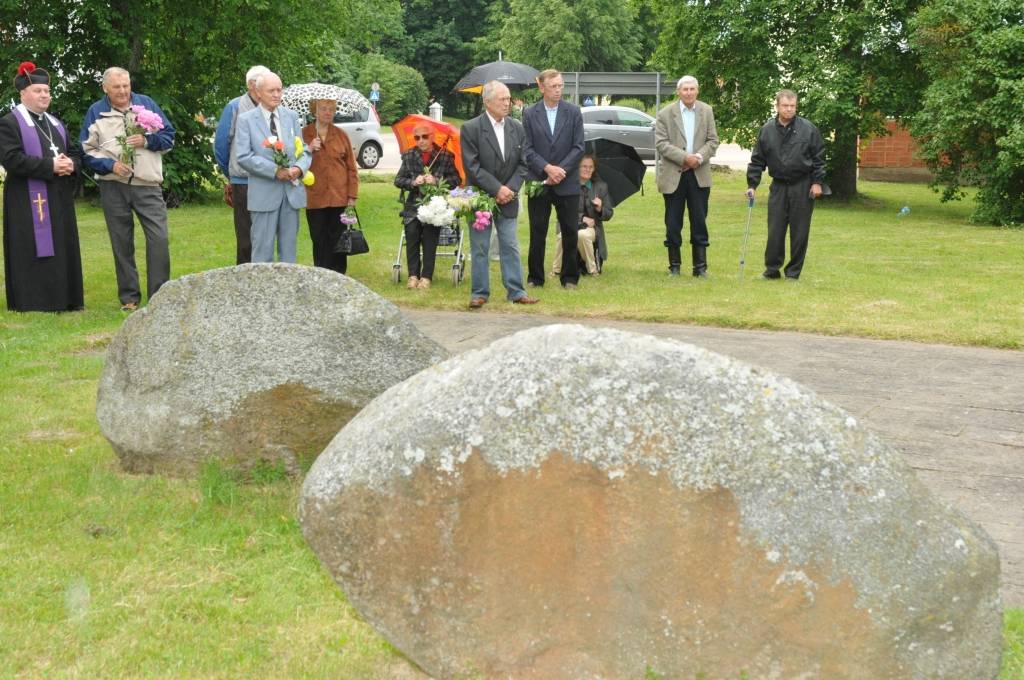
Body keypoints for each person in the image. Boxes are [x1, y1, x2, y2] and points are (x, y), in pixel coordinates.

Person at [81, 67, 175, 312]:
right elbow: (86, 152)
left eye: (126, 85)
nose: (123, 91)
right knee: (121, 242)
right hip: (113, 186)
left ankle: (159, 296)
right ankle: (129, 298)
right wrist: (110, 165)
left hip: (148, 184)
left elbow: (169, 137)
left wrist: (147, 140)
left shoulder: (147, 105)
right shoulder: (95, 112)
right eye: (116, 87)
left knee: (159, 239)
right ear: (105, 88)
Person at [1, 62, 83, 312]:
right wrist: (50, 167)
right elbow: (11, 159)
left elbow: (76, 152)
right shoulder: (9, 123)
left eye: (47, 91)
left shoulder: (56, 123)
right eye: (38, 91)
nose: (44, 95)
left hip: (58, 198)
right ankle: (34, 301)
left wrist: (71, 164)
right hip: (26, 199)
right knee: (32, 248)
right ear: (23, 93)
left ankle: (65, 298)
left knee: (61, 244)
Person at [460, 80, 539, 309]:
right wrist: (497, 189)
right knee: (480, 247)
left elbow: (523, 164)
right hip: (482, 198)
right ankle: (479, 292)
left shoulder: (516, 127)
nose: (508, 103)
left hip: (509, 197)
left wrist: (510, 189)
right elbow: (472, 167)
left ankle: (516, 291)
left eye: (508, 99)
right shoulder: (471, 128)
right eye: (502, 99)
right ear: (487, 101)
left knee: (510, 245)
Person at [746, 89, 826, 280]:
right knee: (775, 230)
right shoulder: (767, 130)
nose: (789, 109)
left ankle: (793, 273)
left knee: (800, 232)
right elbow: (757, 160)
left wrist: (817, 182)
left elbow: (819, 158)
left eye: (792, 106)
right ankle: (772, 270)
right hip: (779, 186)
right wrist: (752, 185)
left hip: (803, 185)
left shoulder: (809, 129)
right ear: (777, 106)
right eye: (785, 106)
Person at [233, 71, 311, 263]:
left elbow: (303, 150)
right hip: (264, 195)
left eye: (279, 89)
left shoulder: (291, 117)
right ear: (258, 92)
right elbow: (243, 156)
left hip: (291, 195)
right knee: (262, 254)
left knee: (289, 254)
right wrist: (275, 171)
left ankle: (288, 292)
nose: (277, 94)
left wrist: (299, 169)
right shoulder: (246, 120)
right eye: (271, 91)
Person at [522, 68, 585, 289]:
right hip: (538, 180)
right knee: (537, 231)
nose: (558, 90)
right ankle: (535, 278)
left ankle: (569, 277)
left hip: (567, 182)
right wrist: (547, 168)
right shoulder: (529, 114)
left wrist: (560, 171)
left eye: (560, 86)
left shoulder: (573, 112)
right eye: (553, 86)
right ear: (541, 87)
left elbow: (579, 147)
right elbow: (527, 150)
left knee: (569, 230)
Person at [655, 75, 719, 277]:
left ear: (697, 91)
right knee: (673, 222)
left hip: (699, 175)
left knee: (699, 221)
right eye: (685, 89)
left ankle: (700, 268)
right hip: (674, 176)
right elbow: (661, 144)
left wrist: (698, 158)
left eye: (692, 89)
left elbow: (713, 140)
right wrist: (684, 158)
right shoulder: (665, 114)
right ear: (678, 92)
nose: (689, 93)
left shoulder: (706, 111)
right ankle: (674, 267)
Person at [213, 64, 269, 265]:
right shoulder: (235, 106)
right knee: (246, 238)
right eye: (267, 83)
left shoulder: (271, 108)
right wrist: (231, 174)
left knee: (266, 235)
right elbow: (220, 145)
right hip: (243, 181)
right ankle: (244, 280)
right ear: (253, 85)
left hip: (269, 179)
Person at [394, 123, 461, 289]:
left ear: (433, 137)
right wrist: (413, 182)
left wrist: (437, 181)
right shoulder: (409, 155)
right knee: (411, 235)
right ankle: (413, 275)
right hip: (414, 204)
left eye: (425, 137)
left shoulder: (445, 155)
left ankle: (426, 277)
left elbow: (456, 181)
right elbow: (398, 180)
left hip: (435, 205)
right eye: (417, 137)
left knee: (430, 238)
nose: (421, 140)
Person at [303, 98, 359, 274]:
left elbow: (351, 168)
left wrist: (352, 196)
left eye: (331, 109)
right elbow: (295, 161)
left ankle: (339, 275)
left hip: (339, 197)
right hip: (314, 197)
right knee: (319, 239)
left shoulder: (341, 135)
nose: (327, 112)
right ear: (315, 111)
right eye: (323, 109)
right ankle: (321, 274)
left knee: (338, 240)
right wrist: (309, 148)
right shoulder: (304, 134)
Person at [551, 153, 613, 277]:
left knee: (582, 235)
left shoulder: (601, 187)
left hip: (592, 229)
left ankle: (592, 270)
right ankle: (556, 270)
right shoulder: (569, 186)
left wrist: (600, 208)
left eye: (591, 167)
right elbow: (562, 212)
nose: (588, 169)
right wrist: (581, 219)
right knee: (564, 234)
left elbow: (609, 214)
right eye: (584, 166)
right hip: (571, 224)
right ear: (577, 167)